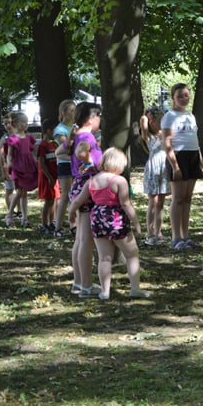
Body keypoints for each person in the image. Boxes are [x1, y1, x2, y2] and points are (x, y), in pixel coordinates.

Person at [68, 147, 148, 300]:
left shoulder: (92, 180)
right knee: (132, 254)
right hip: (116, 220)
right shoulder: (119, 181)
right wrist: (136, 223)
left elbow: (78, 200)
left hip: (97, 219)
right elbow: (126, 204)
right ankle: (135, 288)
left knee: (104, 257)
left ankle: (105, 291)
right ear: (118, 165)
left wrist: (71, 212)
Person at [57, 102, 103, 297]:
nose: (101, 120)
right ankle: (86, 285)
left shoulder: (77, 136)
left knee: (80, 239)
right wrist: (92, 164)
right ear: (91, 119)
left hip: (78, 185)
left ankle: (78, 283)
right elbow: (81, 153)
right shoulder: (87, 136)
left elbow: (60, 152)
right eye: (99, 117)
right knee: (86, 240)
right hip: (87, 187)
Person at [161, 83, 203, 251]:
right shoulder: (169, 116)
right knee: (178, 199)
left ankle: (185, 236)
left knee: (187, 199)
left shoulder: (191, 116)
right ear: (173, 97)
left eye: (186, 95)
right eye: (180, 96)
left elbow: (195, 139)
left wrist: (200, 160)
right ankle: (175, 237)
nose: (183, 99)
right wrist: (175, 165)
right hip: (178, 156)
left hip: (192, 155)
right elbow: (167, 143)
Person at [140, 106, 170, 246]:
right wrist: (147, 116)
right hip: (153, 170)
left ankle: (158, 232)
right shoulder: (148, 136)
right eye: (160, 121)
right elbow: (143, 121)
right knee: (153, 202)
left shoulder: (165, 134)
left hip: (164, 169)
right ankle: (150, 234)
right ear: (152, 122)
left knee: (161, 203)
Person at [5, 112, 38, 227]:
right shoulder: (12, 139)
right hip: (17, 167)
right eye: (23, 122)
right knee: (19, 191)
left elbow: (29, 153)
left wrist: (35, 163)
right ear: (15, 123)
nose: (25, 124)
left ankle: (24, 217)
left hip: (27, 166)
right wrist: (9, 162)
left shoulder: (28, 138)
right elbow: (9, 154)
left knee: (24, 193)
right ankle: (9, 214)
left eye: (26, 122)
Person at [53, 100, 76, 236]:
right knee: (65, 195)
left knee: (74, 195)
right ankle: (58, 228)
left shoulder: (73, 127)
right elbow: (67, 148)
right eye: (71, 111)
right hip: (65, 165)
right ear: (64, 112)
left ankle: (74, 226)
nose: (74, 114)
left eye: (75, 111)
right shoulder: (60, 130)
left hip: (74, 163)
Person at [36, 119, 61, 235]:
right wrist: (49, 176)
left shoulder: (53, 144)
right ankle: (43, 224)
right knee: (48, 201)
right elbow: (41, 163)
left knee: (53, 200)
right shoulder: (42, 145)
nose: (55, 133)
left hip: (54, 177)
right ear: (47, 131)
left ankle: (51, 223)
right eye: (53, 130)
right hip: (47, 177)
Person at [0, 113, 17, 225]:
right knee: (9, 189)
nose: (7, 126)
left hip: (18, 168)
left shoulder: (18, 136)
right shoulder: (4, 138)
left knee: (20, 190)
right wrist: (4, 169)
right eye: (5, 124)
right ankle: (11, 211)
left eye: (9, 123)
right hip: (8, 168)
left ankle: (20, 211)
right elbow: (1, 156)